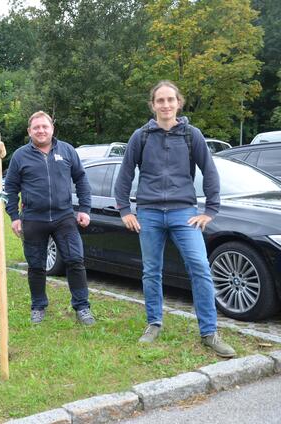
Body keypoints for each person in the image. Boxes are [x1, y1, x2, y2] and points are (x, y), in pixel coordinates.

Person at [114, 80, 235, 358]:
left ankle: (209, 332)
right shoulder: (141, 136)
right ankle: (153, 323)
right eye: (160, 100)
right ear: (153, 105)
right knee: (151, 271)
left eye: (170, 100)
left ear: (178, 103)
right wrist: (125, 210)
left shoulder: (191, 135)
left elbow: (210, 171)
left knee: (200, 268)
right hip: (149, 213)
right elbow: (125, 175)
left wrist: (210, 211)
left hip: (184, 213)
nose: (166, 105)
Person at [5, 111, 95, 325]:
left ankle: (82, 307)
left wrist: (85, 208)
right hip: (33, 219)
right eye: (36, 127)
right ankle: (38, 306)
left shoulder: (67, 151)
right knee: (36, 265)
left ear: (52, 128)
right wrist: (14, 217)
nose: (41, 130)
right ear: (29, 131)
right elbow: (10, 187)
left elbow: (81, 179)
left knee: (75, 261)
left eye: (45, 126)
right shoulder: (20, 156)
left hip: (64, 217)